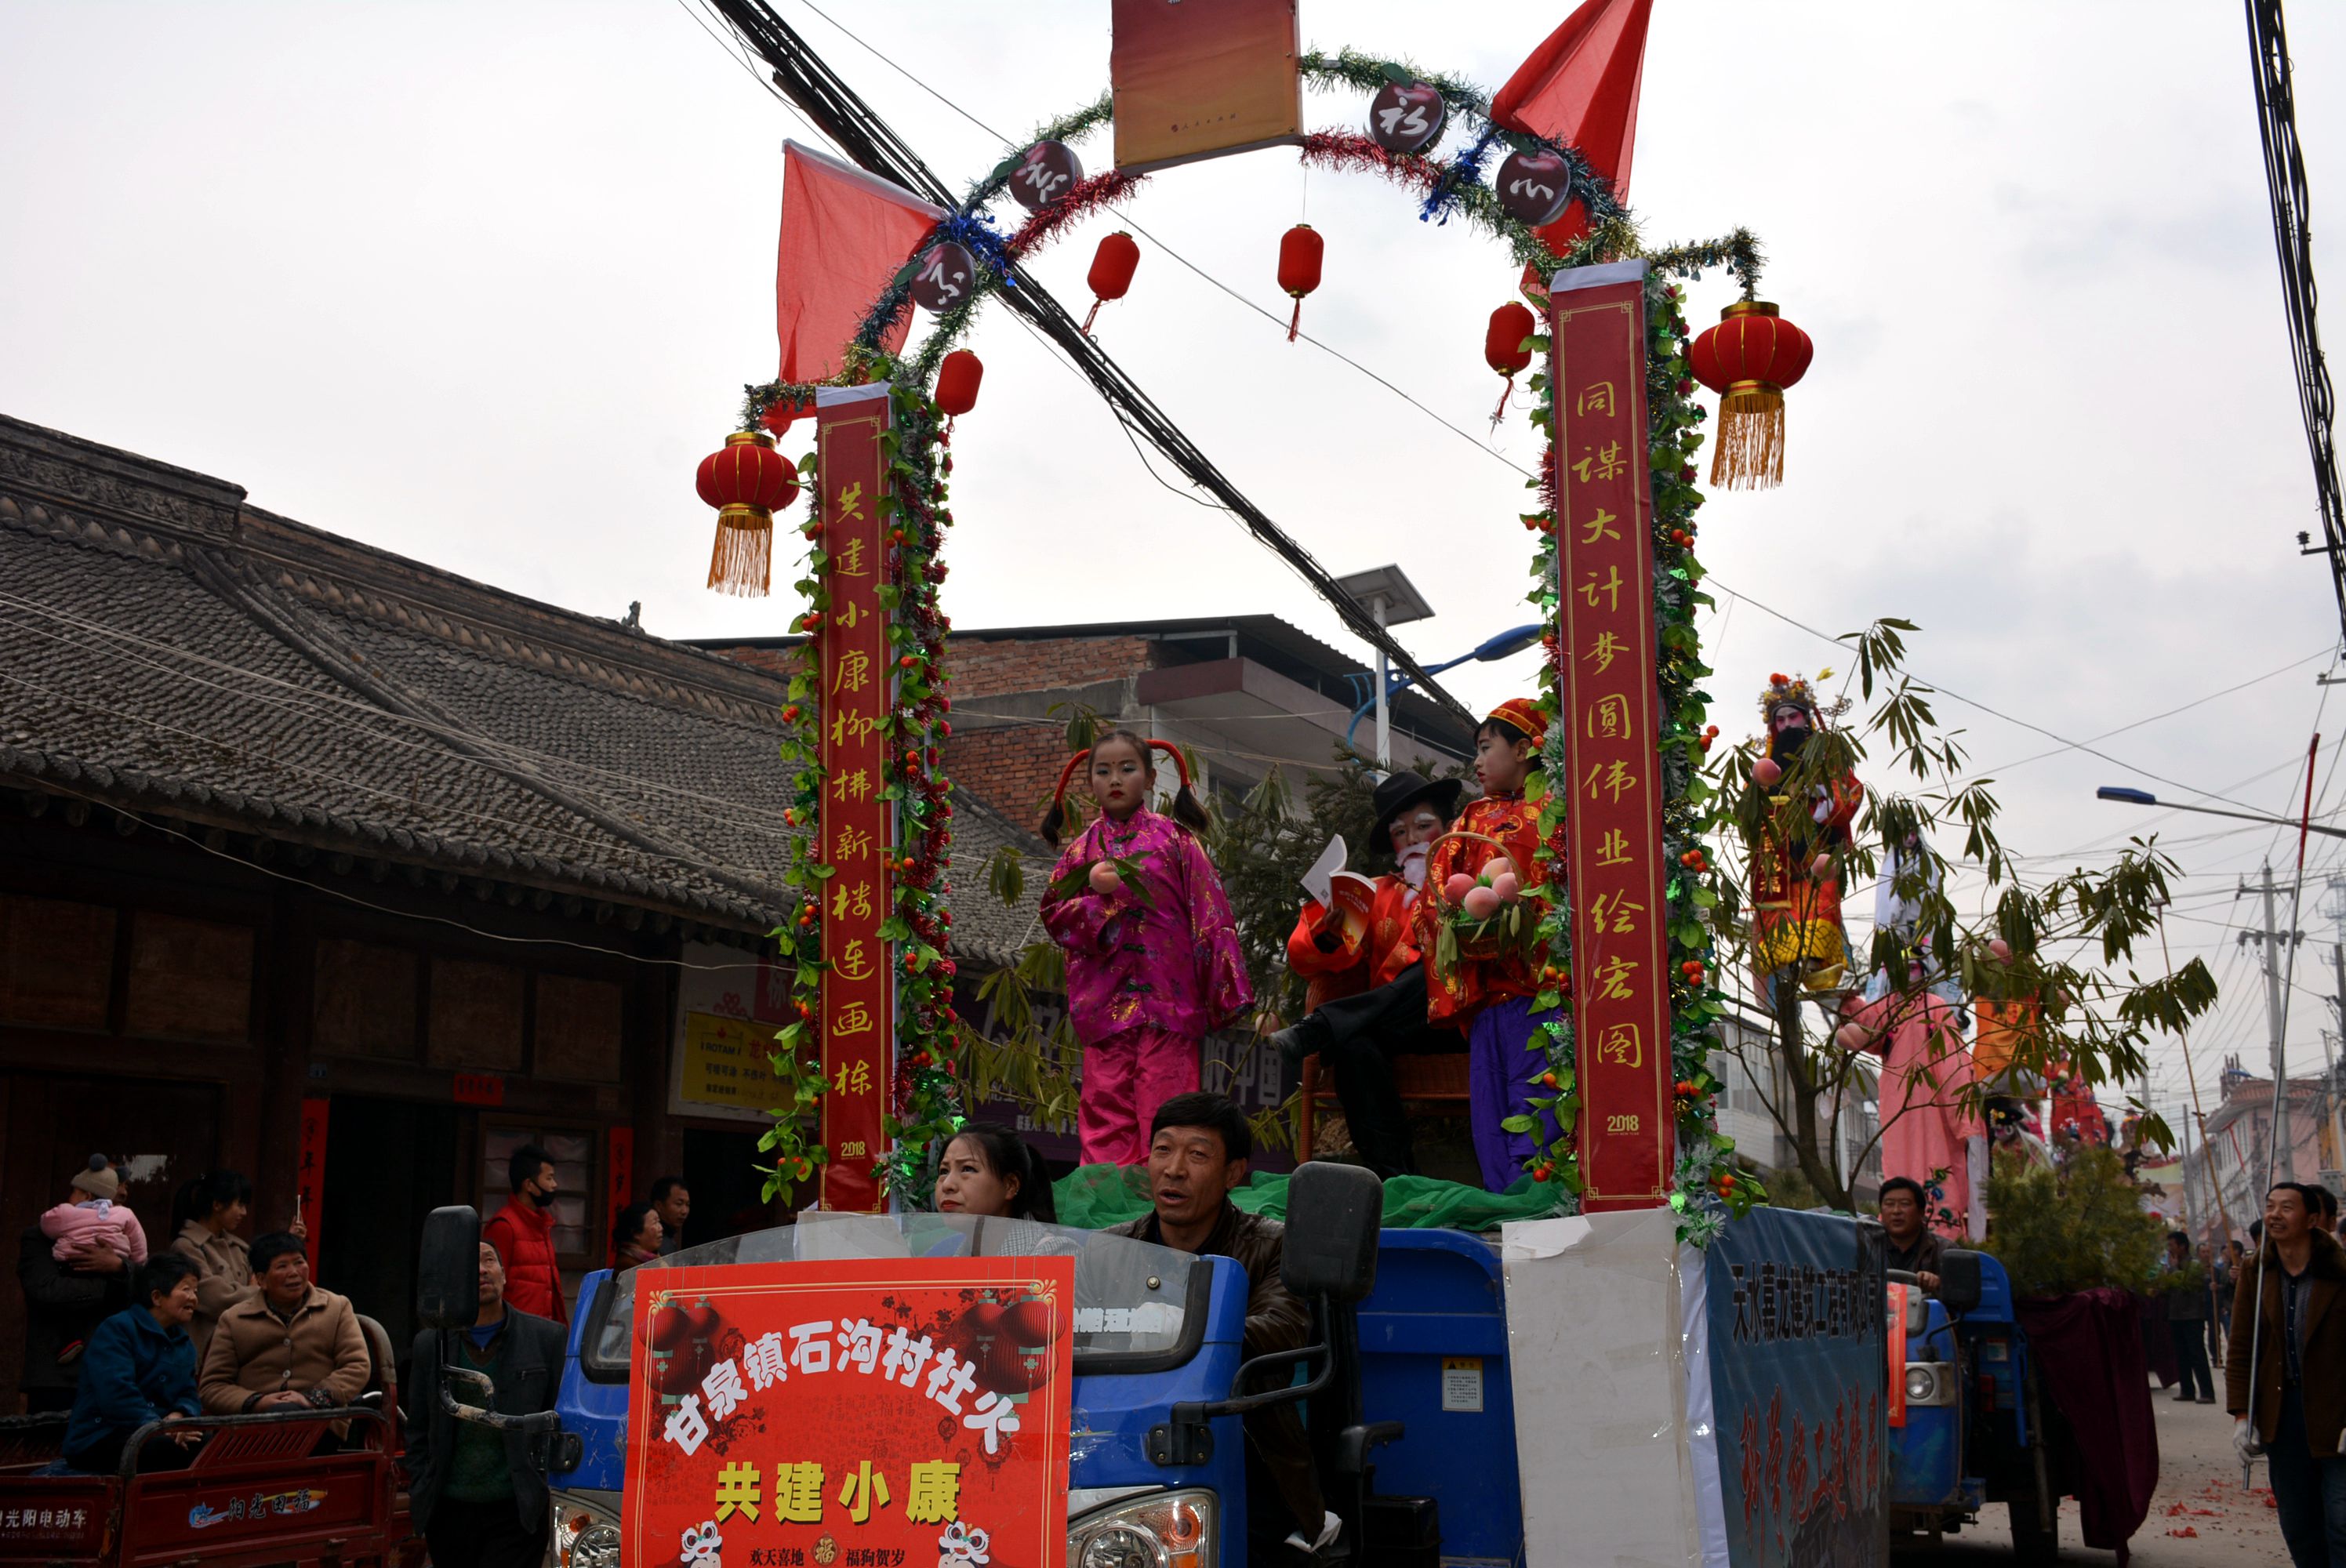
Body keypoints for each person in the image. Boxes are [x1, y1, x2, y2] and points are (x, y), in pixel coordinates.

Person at [1105, 1094, 1333, 1559]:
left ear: (1233, 1173)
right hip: (1121, 1443)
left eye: (1197, 1154)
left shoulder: (1272, 1245)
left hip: (1242, 1446)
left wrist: (1182, 1329)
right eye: (1163, 1150)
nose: (1174, 1170)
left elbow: (1282, 1328)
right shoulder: (1109, 1249)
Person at [1039, 731, 1252, 1166]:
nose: (1115, 779)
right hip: (1105, 1009)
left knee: (1170, 1118)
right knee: (1105, 1121)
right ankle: (1109, 1207)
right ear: (1090, 782)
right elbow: (1054, 914)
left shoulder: (1178, 842)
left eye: (1127, 769)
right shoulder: (1080, 852)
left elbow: (1211, 916)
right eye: (1103, 771)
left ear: (1151, 778)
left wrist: (1225, 990)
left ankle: (1168, 1202)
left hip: (1169, 1006)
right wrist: (1102, 906)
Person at [1270, 770, 1467, 1177]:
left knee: (1431, 968)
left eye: (1423, 826)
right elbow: (1306, 958)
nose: (1412, 838)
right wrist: (1328, 936)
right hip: (1397, 1025)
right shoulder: (1378, 894)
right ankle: (1393, 1177)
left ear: (1448, 827)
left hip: (1460, 1018)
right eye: (1400, 832)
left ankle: (1322, 1027)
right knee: (1352, 1044)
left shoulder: (1468, 881)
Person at [1415, 700, 1560, 1192]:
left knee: (1538, 1096)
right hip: (1485, 997)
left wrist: (1520, 918)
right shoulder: (1471, 819)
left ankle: (1536, 1199)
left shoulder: (1557, 813)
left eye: (1485, 748)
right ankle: (1503, 1201)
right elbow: (1435, 892)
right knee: (1490, 1108)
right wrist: (1459, 919)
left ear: (1522, 750)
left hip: (1541, 995)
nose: (1476, 762)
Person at [405, 1241, 565, 1568]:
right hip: (448, 1509)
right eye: (470, 1264)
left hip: (517, 1509)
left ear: (504, 1275)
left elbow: (561, 1422)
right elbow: (418, 1428)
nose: (481, 1270)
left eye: (489, 1260)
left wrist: (543, 1489)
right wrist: (422, 1484)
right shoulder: (430, 1344)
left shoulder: (546, 1338)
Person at [2227, 1182, 2346, 1567]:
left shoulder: (2340, 1272)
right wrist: (2242, 1418)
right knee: (2299, 1524)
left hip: (2337, 1413)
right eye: (2270, 1206)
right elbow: (2242, 1348)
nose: (2275, 1215)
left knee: (2342, 1519)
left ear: (2312, 1220)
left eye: (2287, 1207)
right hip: (2283, 1415)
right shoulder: (2257, 1272)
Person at [1841, 982, 1977, 1237]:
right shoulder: (1895, 1007)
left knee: (1924, 1159)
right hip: (1908, 1105)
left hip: (1921, 1105)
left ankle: (1928, 1227)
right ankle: (1922, 1226)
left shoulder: (1930, 1007)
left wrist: (1962, 1117)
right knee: (1912, 1162)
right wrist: (1964, 1119)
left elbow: (1952, 1065)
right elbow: (1955, 1068)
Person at [198, 1232, 369, 1421]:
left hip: (321, 1422)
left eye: (299, 1262)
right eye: (282, 1266)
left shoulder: (336, 1307)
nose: (294, 1273)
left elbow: (357, 1366)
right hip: (253, 1425)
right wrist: (257, 1402)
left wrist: (312, 1399)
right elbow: (212, 1387)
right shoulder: (234, 1319)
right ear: (261, 1280)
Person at [62, 1254, 204, 1475]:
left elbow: (188, 1392)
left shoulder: (183, 1342)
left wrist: (179, 1416)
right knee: (166, 1449)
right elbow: (116, 1393)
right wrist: (158, 1428)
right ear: (157, 1297)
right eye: (186, 1289)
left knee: (210, 1444)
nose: (194, 1298)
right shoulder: (118, 1329)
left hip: (158, 1432)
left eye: (195, 1291)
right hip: (102, 1436)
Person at [18, 1157, 135, 1412]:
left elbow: (147, 1291)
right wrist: (109, 1285)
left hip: (113, 1373)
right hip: (58, 1378)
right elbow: (47, 1290)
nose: (121, 1192)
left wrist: (119, 1268)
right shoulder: (42, 1236)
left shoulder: (124, 1243)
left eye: (123, 1186)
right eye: (114, 1184)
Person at [481, 1145, 569, 1325]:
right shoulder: (504, 1226)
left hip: (543, 1329)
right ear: (529, 1185)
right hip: (515, 1330)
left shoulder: (542, 1224)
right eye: (549, 1178)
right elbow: (492, 1286)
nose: (554, 1185)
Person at [933, 1123, 1057, 1222]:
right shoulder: (946, 1246)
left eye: (968, 1169)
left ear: (1010, 1185)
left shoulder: (1051, 1246)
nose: (947, 1185)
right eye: (944, 1171)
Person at [41, 1155, 148, 1266]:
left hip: (69, 1264)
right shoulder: (125, 1214)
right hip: (73, 1270)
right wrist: (132, 1266)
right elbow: (140, 1250)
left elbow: (46, 1223)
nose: (124, 1193)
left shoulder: (65, 1213)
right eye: (117, 1185)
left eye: (125, 1186)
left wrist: (122, 1266)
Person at [2162, 1230, 2216, 1403]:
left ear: (2182, 1246)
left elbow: (2186, 1285)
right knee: (2181, 1355)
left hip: (2192, 1316)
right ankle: (2187, 1390)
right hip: (2176, 1315)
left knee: (2197, 1354)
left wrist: (2174, 1269)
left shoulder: (2194, 1265)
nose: (2169, 1249)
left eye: (2172, 1245)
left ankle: (2207, 1392)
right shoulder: (2172, 1266)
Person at [1876, 1177, 1945, 1292]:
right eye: (1889, 1204)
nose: (1896, 1211)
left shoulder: (1942, 1251)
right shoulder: (1868, 1248)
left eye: (1905, 1204)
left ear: (1921, 1212)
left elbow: (1959, 1293)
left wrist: (1938, 1283)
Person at [610, 1203, 663, 1270]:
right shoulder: (627, 1265)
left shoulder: (654, 1258)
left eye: (659, 1222)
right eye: (654, 1223)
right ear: (636, 1233)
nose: (661, 1228)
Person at [648, 1176, 690, 1257]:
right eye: (679, 1204)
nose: (684, 1211)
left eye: (688, 1204)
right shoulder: (653, 1241)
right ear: (659, 1206)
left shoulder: (668, 1237)